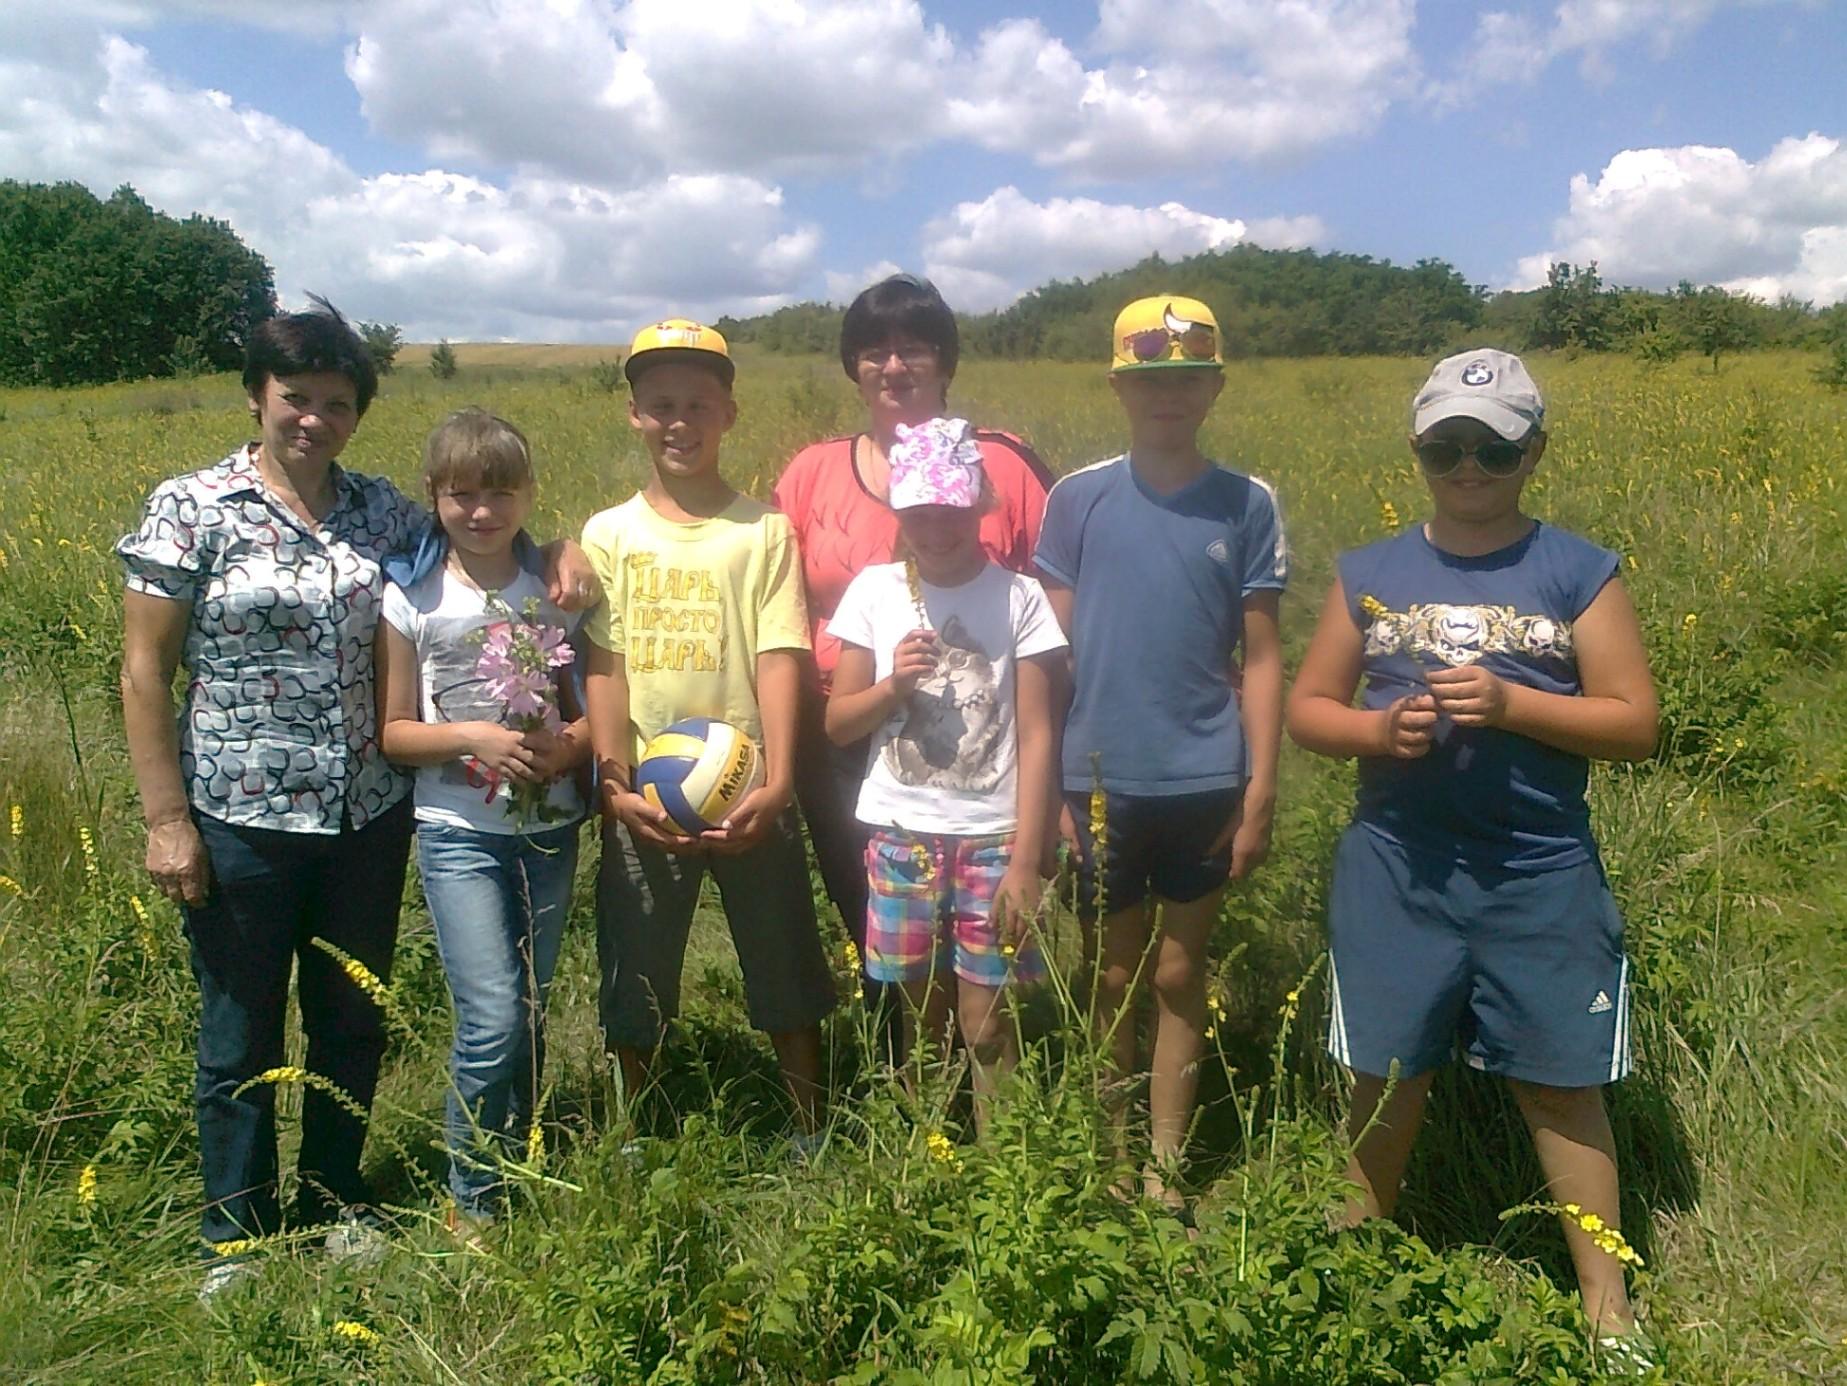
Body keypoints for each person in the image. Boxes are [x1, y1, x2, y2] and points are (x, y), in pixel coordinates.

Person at [117, 300, 596, 1298]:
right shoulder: (192, 506)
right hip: (238, 813)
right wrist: (167, 819)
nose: (313, 420)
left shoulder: (381, 513)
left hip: (366, 815)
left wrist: (564, 554)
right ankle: (234, 1239)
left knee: (349, 1020)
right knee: (239, 1027)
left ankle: (334, 1199)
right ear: (258, 396)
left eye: (336, 404)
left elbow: (485, 535)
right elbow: (142, 670)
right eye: (295, 398)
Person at [1285, 349, 1658, 1357]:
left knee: (1556, 1080)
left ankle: (1605, 1307)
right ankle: (1350, 1281)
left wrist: (1509, 704)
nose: (1465, 468)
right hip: (1396, 868)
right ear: (1416, 449)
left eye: (1490, 451)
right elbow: (1307, 710)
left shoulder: (1576, 570)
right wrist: (1377, 735)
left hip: (1537, 870)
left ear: (1531, 453)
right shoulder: (1366, 573)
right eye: (1444, 447)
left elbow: (1633, 724)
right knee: (1384, 1074)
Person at [1033, 294, 1286, 1215]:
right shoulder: (1078, 499)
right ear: (1117, 387)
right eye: (1149, 380)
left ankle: (1166, 1167)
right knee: (1108, 972)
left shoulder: (1245, 504)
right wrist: (1050, 786)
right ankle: (1108, 1149)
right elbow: (1048, 662)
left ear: (1213, 388)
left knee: (1181, 972)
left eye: (1186, 380)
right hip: (1097, 780)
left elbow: (1260, 658)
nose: (1167, 397)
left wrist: (1258, 787)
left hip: (1204, 777)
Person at [774, 275, 1054, 1035]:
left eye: (913, 348)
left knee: (980, 934)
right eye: (873, 351)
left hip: (984, 748)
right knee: (877, 917)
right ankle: (904, 1074)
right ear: (852, 367)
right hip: (843, 731)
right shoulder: (811, 472)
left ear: (945, 360)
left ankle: (970, 1083)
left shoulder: (1007, 466)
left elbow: (1058, 601)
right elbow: (764, 596)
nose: (893, 366)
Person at [582, 319, 836, 1144]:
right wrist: (614, 786)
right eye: (660, 406)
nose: (678, 422)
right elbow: (605, 665)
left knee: (783, 957)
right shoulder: (608, 535)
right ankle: (636, 1127)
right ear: (633, 415)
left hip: (746, 784)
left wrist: (779, 781)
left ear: (729, 412)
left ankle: (807, 1124)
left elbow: (779, 654)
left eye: (697, 404)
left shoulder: (761, 532)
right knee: (637, 965)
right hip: (647, 793)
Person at [376, 407, 591, 1231]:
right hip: (458, 832)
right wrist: (472, 735)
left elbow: (588, 706)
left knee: (532, 1006)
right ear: (434, 496)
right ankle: (473, 1201)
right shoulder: (414, 596)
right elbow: (394, 732)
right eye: (461, 494)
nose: (481, 512)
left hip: (549, 826)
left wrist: (566, 750)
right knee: (492, 1013)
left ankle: (522, 1154)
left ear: (528, 494)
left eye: (499, 493)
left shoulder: (555, 587)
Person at [824, 417, 1066, 1132]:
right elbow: (838, 724)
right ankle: (925, 1167)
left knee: (986, 1024)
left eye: (952, 511)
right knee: (918, 1025)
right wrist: (892, 688)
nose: (936, 529)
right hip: (902, 840)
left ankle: (999, 1180)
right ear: (898, 513)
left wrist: (1028, 857)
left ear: (980, 506)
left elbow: (1039, 730)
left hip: (993, 841)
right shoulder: (873, 592)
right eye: (919, 513)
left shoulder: (1019, 598)